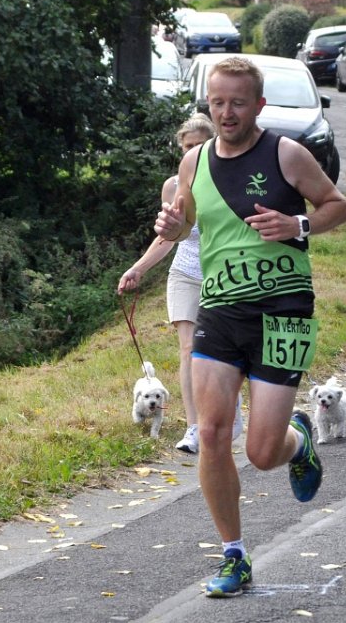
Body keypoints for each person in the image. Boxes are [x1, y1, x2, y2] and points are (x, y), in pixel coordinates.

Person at [154, 56, 346, 598]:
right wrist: (173, 224)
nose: (227, 113)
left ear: (258, 105)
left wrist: (297, 223)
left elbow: (337, 206)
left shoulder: (286, 153)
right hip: (220, 310)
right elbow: (186, 223)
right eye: (217, 102)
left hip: (284, 311)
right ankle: (234, 556)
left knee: (263, 453)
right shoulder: (194, 161)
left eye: (238, 103)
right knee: (213, 434)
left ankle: (298, 441)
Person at [117, 114, 242, 453]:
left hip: (225, 276)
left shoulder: (232, 181)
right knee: (189, 350)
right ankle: (193, 428)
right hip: (185, 273)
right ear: (181, 149)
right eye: (188, 146)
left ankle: (231, 407)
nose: (194, 151)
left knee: (222, 351)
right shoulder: (173, 187)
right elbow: (168, 237)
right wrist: (137, 269)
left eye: (201, 144)